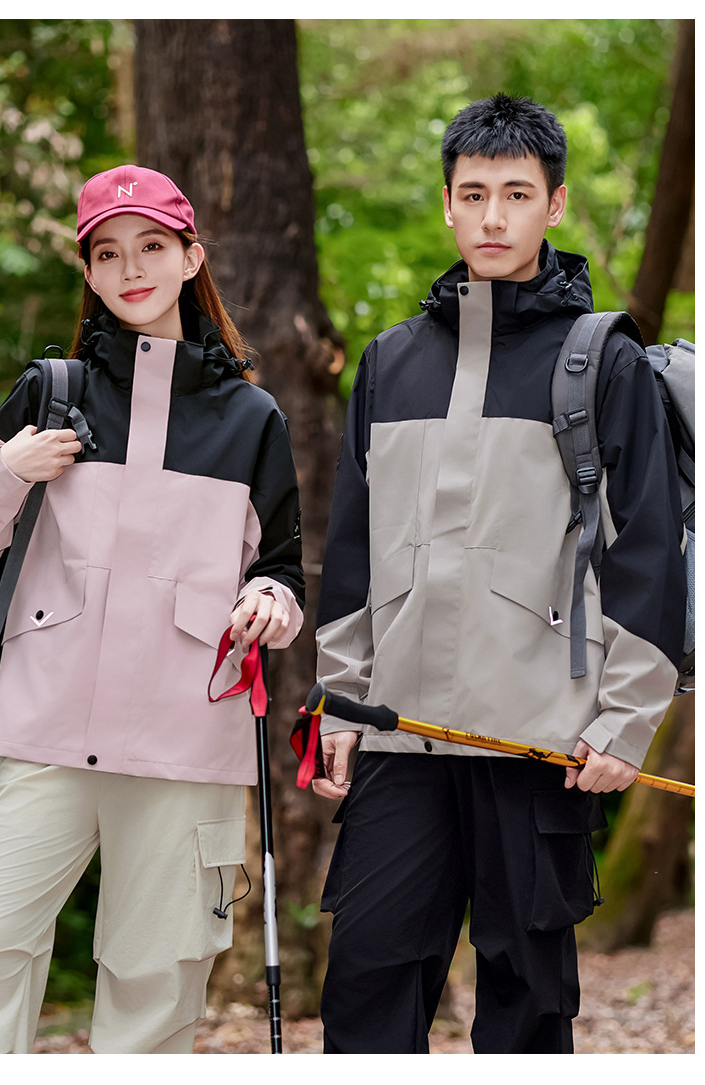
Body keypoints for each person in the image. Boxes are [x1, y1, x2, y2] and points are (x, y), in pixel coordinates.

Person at [311, 94, 685, 1054]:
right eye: (473, 193)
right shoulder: (389, 362)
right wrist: (341, 705)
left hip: (539, 743)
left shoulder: (604, 362)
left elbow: (645, 550)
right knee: (365, 989)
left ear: (553, 205)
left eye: (516, 194)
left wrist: (625, 720)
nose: (492, 216)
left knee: (526, 1005)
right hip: (401, 737)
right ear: (446, 203)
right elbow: (352, 549)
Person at [0, 164, 304, 1054]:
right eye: (107, 253)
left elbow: (280, 569)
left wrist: (268, 600)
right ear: (89, 273)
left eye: (151, 246)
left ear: (190, 258)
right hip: (44, 732)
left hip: (186, 742)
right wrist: (6, 474)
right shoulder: (52, 391)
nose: (130, 268)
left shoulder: (253, 418)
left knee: (154, 980)